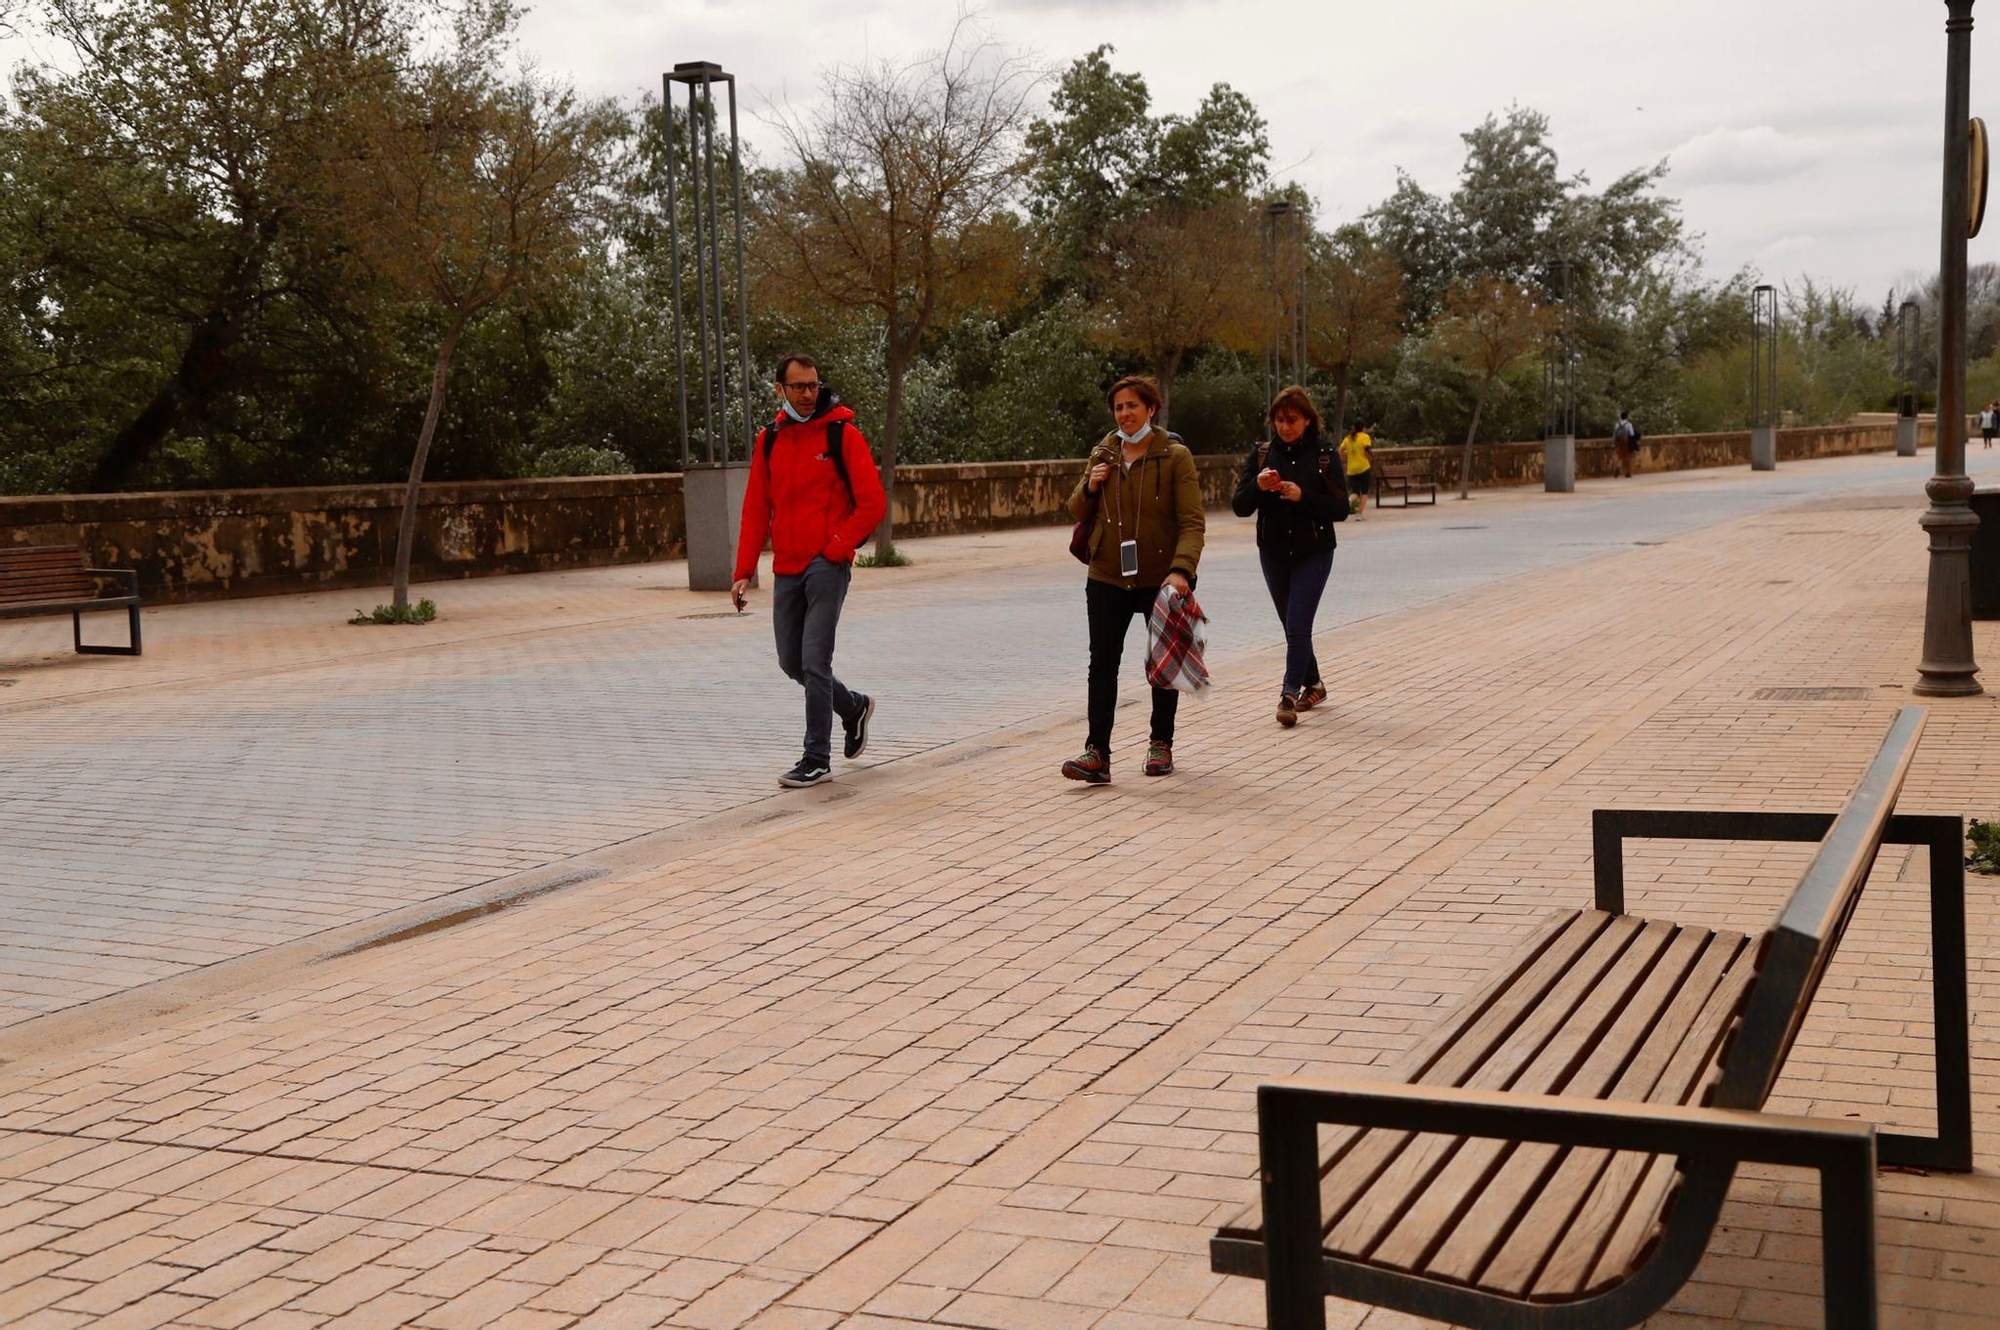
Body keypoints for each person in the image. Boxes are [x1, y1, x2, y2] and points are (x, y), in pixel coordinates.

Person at [732, 353, 887, 789]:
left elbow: (872, 502)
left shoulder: (842, 434)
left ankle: (816, 758)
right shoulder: (770, 440)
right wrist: (743, 570)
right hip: (786, 566)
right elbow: (756, 508)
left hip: (826, 564)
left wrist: (837, 549)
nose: (806, 394)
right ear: (779, 389)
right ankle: (853, 707)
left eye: (813, 385)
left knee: (815, 660)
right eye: (797, 386)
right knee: (791, 662)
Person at [1061, 375, 1206, 784]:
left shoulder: (1175, 456)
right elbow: (1076, 508)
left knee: (1163, 662)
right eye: (1119, 407)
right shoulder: (1103, 452)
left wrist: (1181, 570)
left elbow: (1193, 522)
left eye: (1132, 406)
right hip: (1106, 574)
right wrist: (1091, 485)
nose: (1125, 414)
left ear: (1151, 409)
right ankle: (1097, 753)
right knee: (1102, 664)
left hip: (1161, 577)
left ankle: (1161, 743)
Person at [1233, 386, 1347, 727]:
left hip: (1314, 551)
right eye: (1279, 420)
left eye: (1292, 420)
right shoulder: (1263, 455)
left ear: (1307, 419)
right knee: (1292, 626)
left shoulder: (1325, 453)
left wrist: (1303, 495)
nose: (1285, 427)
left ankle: (1288, 693)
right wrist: (1259, 487)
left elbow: (1341, 508)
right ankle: (1313, 684)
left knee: (1298, 623)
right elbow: (1239, 506)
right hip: (1273, 552)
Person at [1338, 423, 1374, 518]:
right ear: (1363, 428)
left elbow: (1340, 450)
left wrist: (1345, 457)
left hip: (1352, 469)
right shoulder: (1365, 437)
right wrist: (1369, 457)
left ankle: (1349, 501)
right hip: (1363, 467)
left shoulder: (1348, 438)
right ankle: (1359, 514)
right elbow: (1368, 450)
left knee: (1355, 492)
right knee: (1365, 492)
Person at [1612, 410, 1639, 477]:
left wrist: (1614, 442)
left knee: (1620, 456)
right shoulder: (1628, 424)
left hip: (1618, 442)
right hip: (1626, 442)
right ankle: (1628, 472)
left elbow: (1614, 434)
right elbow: (1632, 434)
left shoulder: (1617, 424)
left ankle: (1617, 467)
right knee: (1628, 456)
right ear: (1626, 417)